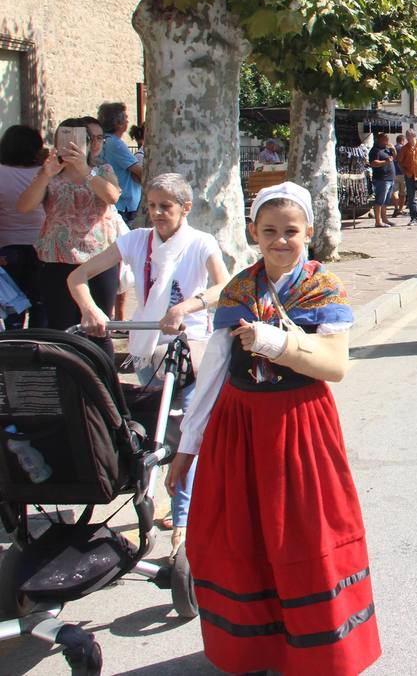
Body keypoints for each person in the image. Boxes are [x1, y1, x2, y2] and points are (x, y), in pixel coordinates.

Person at [168, 183, 381, 675]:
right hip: (238, 427)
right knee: (244, 536)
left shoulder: (322, 287)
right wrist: (186, 447)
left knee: (302, 536)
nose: (280, 241)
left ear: (308, 232)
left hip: (300, 425)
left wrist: (270, 340)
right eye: (269, 232)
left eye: (291, 231)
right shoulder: (239, 290)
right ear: (253, 234)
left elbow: (335, 366)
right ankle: (258, 648)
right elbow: (213, 376)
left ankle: (317, 652)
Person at [69, 173, 228, 555]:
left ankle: (185, 519)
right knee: (158, 433)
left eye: (165, 207)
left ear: (185, 209)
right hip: (148, 345)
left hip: (189, 348)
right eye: (152, 206)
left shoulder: (200, 243)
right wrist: (90, 309)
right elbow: (78, 277)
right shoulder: (136, 240)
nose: (156, 213)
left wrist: (186, 307)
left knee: (188, 430)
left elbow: (225, 286)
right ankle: (158, 500)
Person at [16, 118, 121, 333]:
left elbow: (112, 197)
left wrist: (85, 170)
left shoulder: (102, 170)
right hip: (56, 259)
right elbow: (24, 206)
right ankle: (66, 367)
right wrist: (46, 174)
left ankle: (99, 367)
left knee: (100, 325)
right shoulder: (49, 174)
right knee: (61, 327)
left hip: (99, 259)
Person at [0, 125, 48, 329]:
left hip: (7, 248)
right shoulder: (45, 174)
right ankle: (41, 351)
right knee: (41, 304)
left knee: (13, 306)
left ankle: (13, 351)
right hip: (42, 246)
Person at [97, 101, 143, 225]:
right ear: (118, 123)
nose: (128, 121)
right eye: (126, 118)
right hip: (124, 204)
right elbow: (139, 172)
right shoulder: (115, 144)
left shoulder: (105, 141)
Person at [368, 132, 396, 228]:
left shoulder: (386, 149)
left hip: (390, 178)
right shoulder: (375, 150)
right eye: (385, 139)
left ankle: (385, 219)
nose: (387, 141)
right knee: (380, 200)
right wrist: (385, 162)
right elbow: (373, 163)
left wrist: (393, 150)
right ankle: (378, 221)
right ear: (379, 140)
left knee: (386, 201)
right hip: (381, 179)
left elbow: (394, 158)